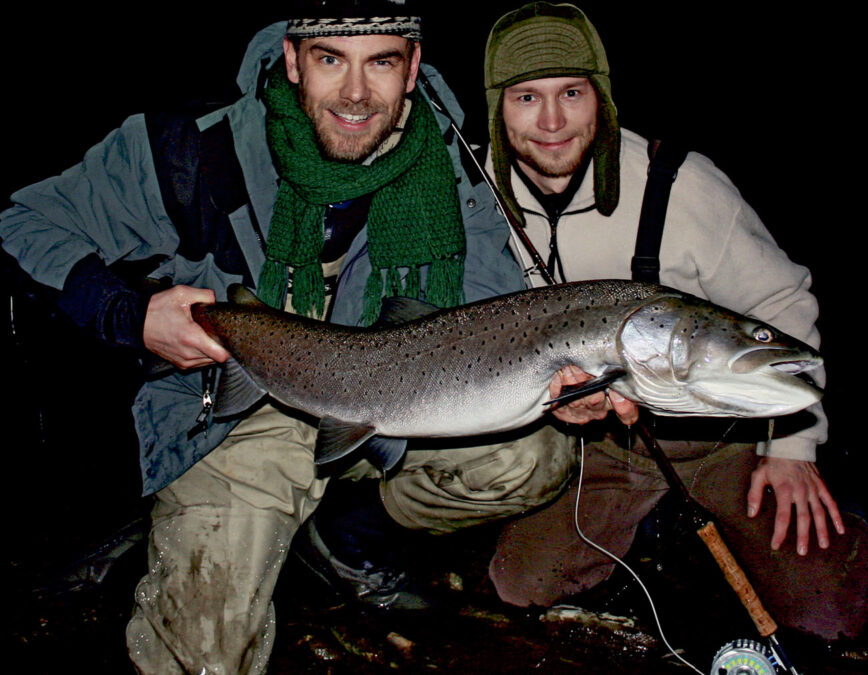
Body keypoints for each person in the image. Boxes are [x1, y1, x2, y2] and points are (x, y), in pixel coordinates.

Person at [0, 2, 579, 672]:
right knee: (207, 653)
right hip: (234, 412)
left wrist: (551, 383)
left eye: (381, 62)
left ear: (413, 69)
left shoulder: (452, 170)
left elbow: (484, 310)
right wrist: (131, 316)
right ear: (293, 59)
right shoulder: (190, 149)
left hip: (391, 399)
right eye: (331, 59)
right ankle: (201, 527)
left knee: (533, 453)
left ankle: (345, 537)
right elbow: (26, 223)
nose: (357, 92)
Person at [481, 2, 868, 640]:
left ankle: (825, 516)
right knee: (522, 587)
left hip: (720, 441)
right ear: (498, 108)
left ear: (601, 99)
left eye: (572, 93)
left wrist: (793, 447)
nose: (552, 121)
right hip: (599, 447)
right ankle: (638, 521)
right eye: (527, 96)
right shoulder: (478, 200)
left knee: (830, 615)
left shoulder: (679, 185)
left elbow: (784, 304)